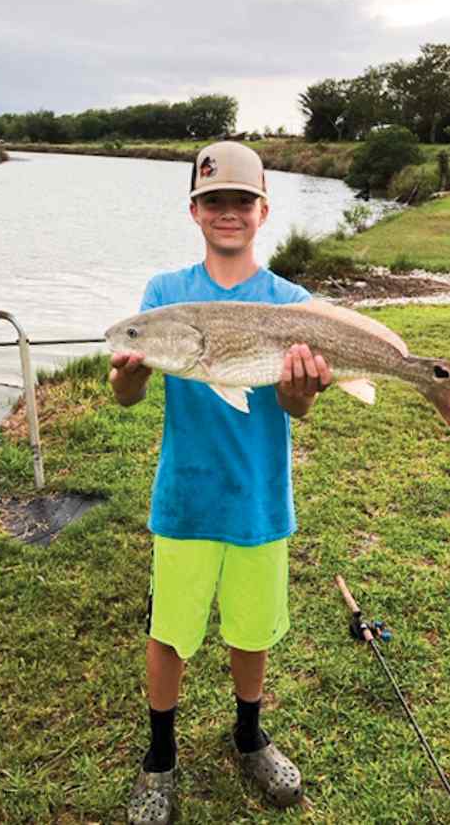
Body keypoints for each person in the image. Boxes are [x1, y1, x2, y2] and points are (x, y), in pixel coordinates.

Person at [109, 141, 332, 825]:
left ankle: (249, 736)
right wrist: (132, 370)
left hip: (260, 499)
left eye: (241, 201)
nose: (227, 213)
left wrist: (304, 388)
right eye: (214, 201)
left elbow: (295, 407)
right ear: (194, 210)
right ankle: (159, 756)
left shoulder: (292, 304)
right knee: (171, 631)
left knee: (250, 627)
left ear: (262, 211)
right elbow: (124, 392)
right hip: (185, 498)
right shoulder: (164, 296)